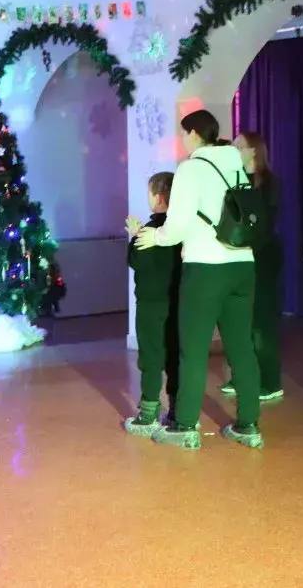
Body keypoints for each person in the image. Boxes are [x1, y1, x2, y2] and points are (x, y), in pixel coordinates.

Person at [135, 110, 263, 450]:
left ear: (193, 133)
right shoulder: (235, 163)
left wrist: (156, 236)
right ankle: (249, 424)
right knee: (241, 347)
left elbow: (177, 225)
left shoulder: (190, 169)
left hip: (206, 266)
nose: (182, 140)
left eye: (183, 133)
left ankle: (185, 425)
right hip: (243, 263)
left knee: (192, 349)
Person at [222, 132, 284, 402]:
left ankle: (270, 381)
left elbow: (264, 222)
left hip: (262, 255)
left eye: (240, 146)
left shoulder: (269, 182)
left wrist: (247, 241)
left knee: (262, 321)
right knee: (240, 320)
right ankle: (243, 376)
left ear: (254, 151)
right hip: (239, 256)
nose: (234, 150)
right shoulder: (235, 179)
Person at [123, 171, 183, 437]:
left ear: (158, 197)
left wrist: (135, 237)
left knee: (150, 356)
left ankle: (148, 412)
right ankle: (177, 410)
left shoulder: (149, 231)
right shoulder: (180, 229)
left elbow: (136, 262)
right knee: (175, 356)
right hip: (177, 302)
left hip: (149, 305)